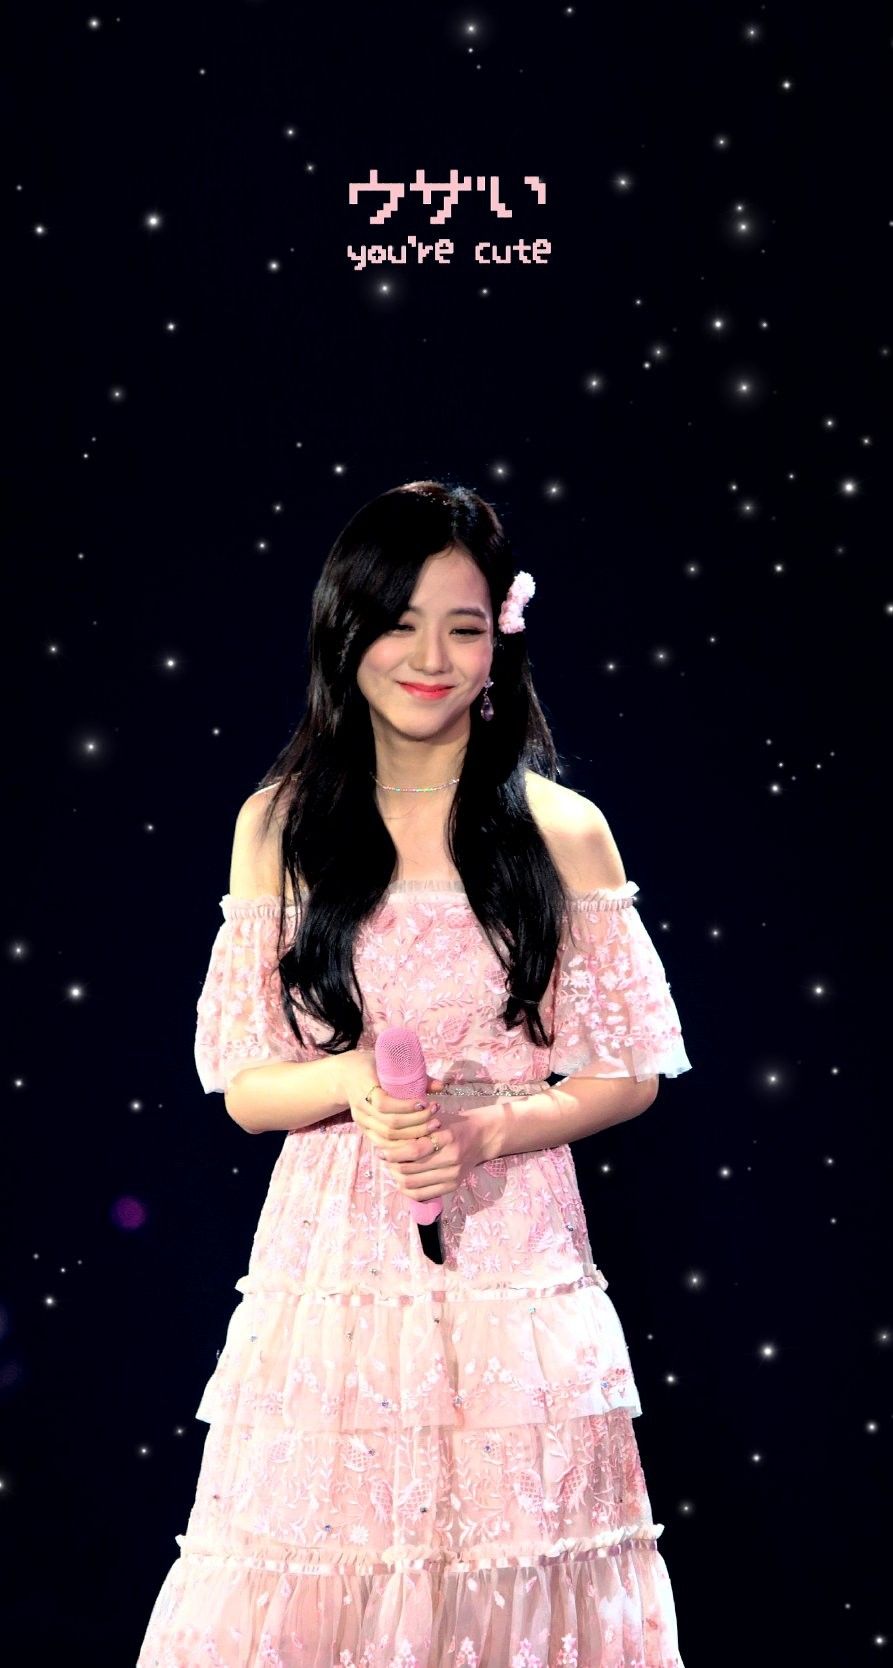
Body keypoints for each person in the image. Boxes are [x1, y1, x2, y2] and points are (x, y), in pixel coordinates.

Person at [136, 479, 693, 1667]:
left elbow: (627, 1072)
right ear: (347, 632)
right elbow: (245, 1085)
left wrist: (488, 1130)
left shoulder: (562, 829)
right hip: (332, 1267)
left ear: (500, 643)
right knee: (321, 1567)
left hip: (514, 1260)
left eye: (463, 626)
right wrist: (351, 1084)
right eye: (400, 623)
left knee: (513, 1564)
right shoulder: (278, 823)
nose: (431, 658)